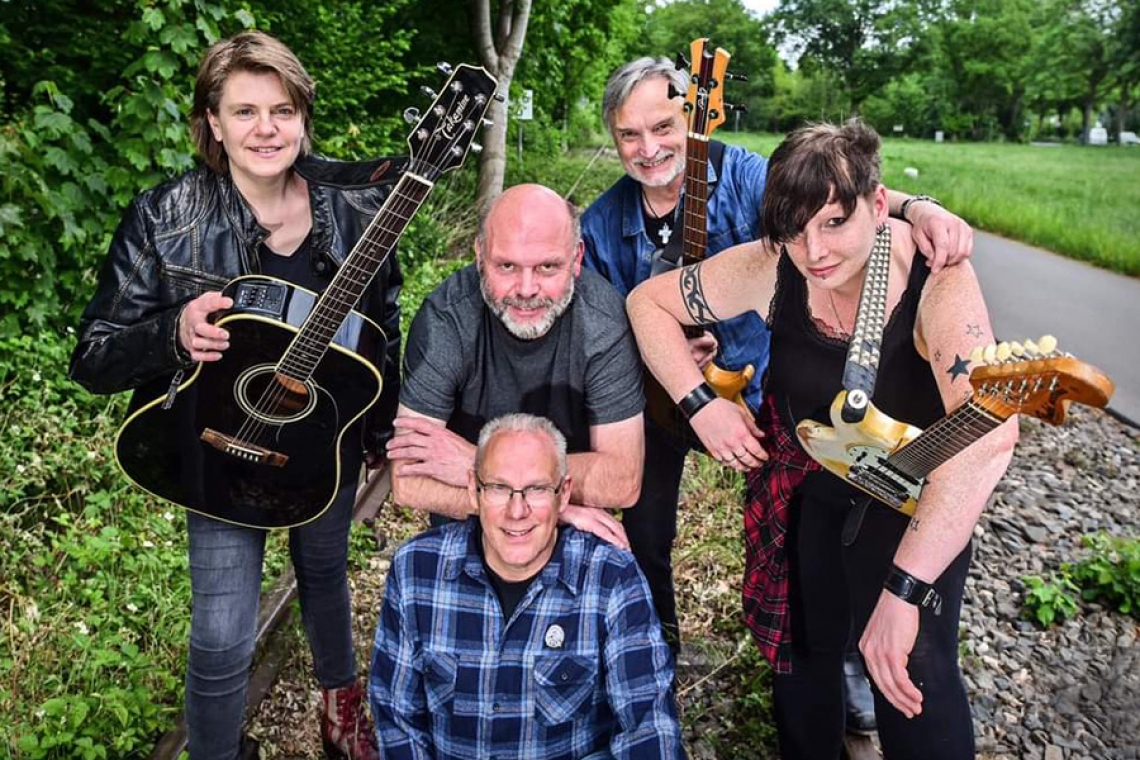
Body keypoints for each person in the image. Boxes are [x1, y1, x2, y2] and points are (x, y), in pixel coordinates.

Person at [582, 56, 972, 732]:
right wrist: (686, 384)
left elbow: (836, 193)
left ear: (695, 116)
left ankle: (855, 661)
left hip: (774, 397)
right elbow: (621, 320)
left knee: (847, 577)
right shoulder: (601, 219)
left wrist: (921, 206)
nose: (648, 149)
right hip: (673, 397)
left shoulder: (749, 178)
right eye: (628, 135)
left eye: (664, 125)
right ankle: (654, 661)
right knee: (642, 525)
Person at [68, 32, 399, 760]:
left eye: (282, 110)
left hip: (323, 435)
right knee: (221, 633)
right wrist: (172, 335)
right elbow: (91, 355)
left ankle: (340, 710)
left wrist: (380, 433)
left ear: (305, 116)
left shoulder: (357, 205)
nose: (266, 129)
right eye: (243, 111)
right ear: (211, 122)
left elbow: (383, 322)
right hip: (222, 441)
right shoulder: (165, 217)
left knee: (323, 568)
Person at [370, 413, 684, 759]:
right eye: (499, 488)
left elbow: (649, 727)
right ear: (474, 491)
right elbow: (397, 720)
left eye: (535, 489)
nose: (516, 511)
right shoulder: (417, 571)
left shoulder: (611, 578)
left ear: (563, 495)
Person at [386, 183, 644, 549]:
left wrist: (473, 462)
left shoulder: (603, 322)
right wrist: (556, 507)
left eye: (547, 267)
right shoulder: (446, 319)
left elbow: (623, 481)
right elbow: (408, 482)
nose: (526, 289)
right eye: (507, 266)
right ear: (479, 255)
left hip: (572, 537)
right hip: (472, 523)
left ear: (576, 258)